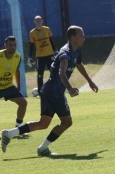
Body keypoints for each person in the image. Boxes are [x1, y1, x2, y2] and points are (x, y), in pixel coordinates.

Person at [1, 26, 99, 156]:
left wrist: (90, 81)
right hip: (54, 92)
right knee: (67, 122)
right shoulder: (65, 53)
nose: (84, 38)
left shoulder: (76, 50)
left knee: (43, 123)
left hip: (48, 90)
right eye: (81, 35)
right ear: (73, 38)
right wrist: (69, 88)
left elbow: (78, 64)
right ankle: (42, 149)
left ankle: (9, 133)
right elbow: (62, 72)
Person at [0, 36, 27, 127]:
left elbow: (17, 70)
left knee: (23, 103)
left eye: (14, 45)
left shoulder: (17, 57)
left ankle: (18, 127)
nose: (13, 47)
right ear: (5, 45)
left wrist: (19, 87)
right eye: (10, 45)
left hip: (8, 86)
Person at [28, 15, 57, 94]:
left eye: (39, 20)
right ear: (34, 22)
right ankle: (41, 92)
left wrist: (55, 50)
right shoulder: (32, 32)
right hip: (40, 56)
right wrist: (30, 56)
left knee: (53, 72)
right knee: (40, 74)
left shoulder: (47, 29)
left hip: (49, 54)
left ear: (42, 21)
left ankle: (55, 89)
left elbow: (51, 40)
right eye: (37, 21)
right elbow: (31, 45)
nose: (38, 22)